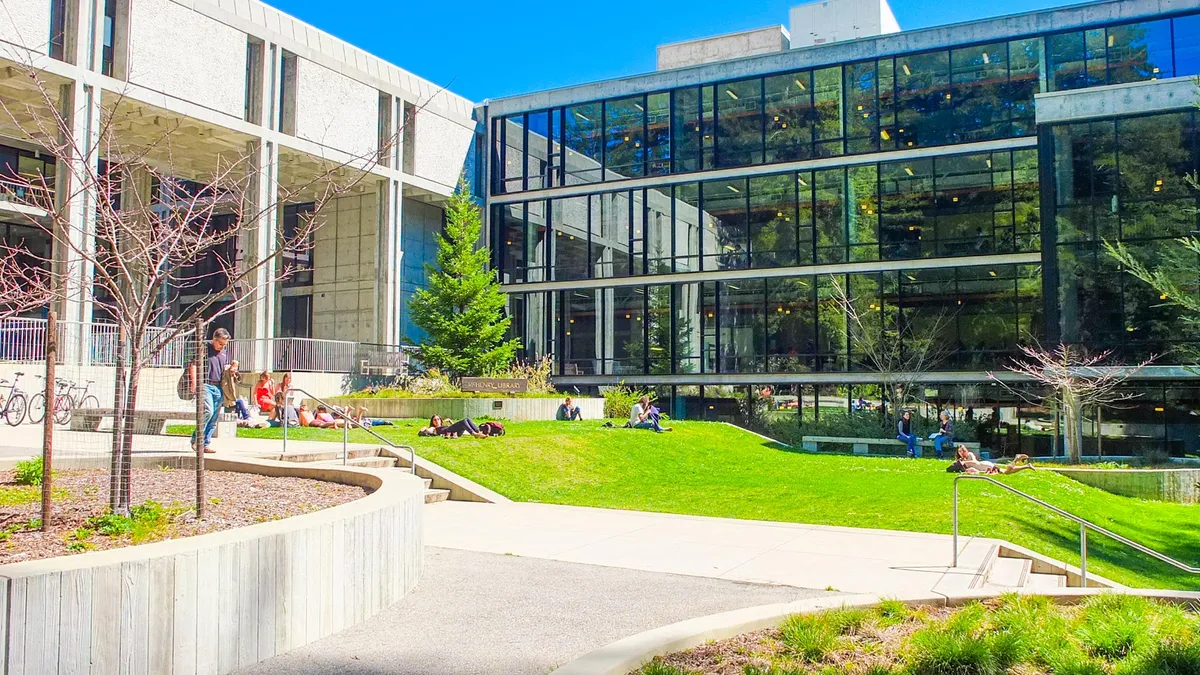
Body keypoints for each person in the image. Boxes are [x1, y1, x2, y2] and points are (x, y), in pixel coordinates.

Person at [190, 328, 231, 454]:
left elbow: (225, 368)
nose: (222, 347)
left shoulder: (224, 353)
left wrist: (232, 369)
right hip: (205, 384)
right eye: (220, 343)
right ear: (214, 339)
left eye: (224, 344)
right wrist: (194, 383)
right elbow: (193, 365)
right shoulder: (205, 349)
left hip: (218, 387)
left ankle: (205, 443)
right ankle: (196, 439)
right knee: (207, 411)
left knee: (214, 417)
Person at [954, 445, 1035, 475]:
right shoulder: (961, 460)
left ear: (966, 450)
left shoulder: (970, 454)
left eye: (963, 450)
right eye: (960, 451)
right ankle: (1027, 466)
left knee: (1006, 472)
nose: (962, 452)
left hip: (985, 466)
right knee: (1007, 471)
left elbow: (975, 462)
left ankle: (1016, 459)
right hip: (984, 468)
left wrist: (965, 462)